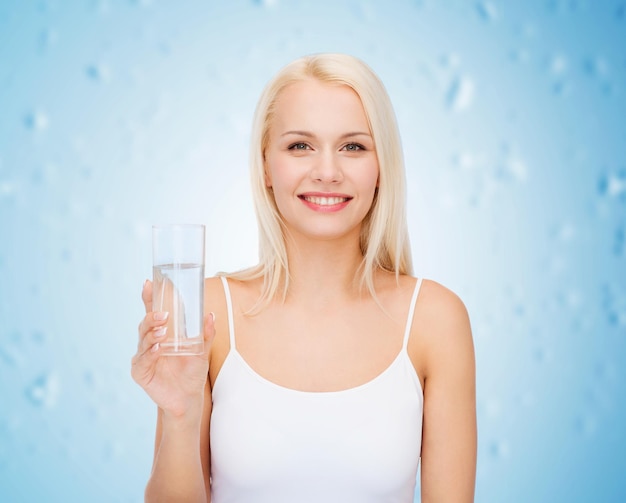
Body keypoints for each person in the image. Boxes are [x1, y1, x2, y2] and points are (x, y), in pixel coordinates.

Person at [132, 53, 476, 502]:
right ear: (266, 168)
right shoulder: (207, 313)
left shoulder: (435, 320)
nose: (327, 172)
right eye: (300, 146)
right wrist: (178, 415)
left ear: (381, 168)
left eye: (353, 146)